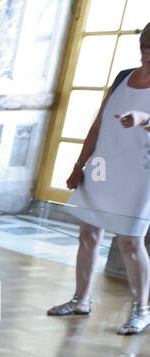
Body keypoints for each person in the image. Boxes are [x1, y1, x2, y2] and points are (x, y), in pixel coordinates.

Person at [48, 23, 150, 336]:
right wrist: (80, 164)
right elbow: (97, 125)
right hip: (103, 166)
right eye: (144, 50)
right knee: (88, 233)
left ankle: (142, 310)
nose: (146, 57)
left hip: (140, 174)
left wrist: (142, 119)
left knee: (131, 243)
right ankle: (80, 299)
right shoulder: (123, 77)